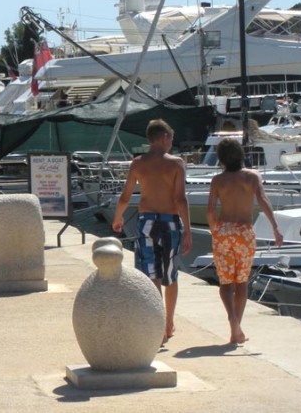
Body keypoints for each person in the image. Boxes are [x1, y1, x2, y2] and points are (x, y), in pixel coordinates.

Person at [112, 119, 192, 344]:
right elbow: (180, 199)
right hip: (170, 222)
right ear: (165, 137)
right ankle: (168, 323)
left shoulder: (138, 163)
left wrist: (118, 218)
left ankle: (157, 325)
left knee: (152, 273)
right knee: (171, 274)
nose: (171, 143)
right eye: (171, 139)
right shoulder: (176, 163)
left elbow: (126, 195)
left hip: (147, 221)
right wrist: (188, 230)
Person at [206, 137, 283, 344]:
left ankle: (231, 317)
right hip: (244, 232)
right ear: (241, 154)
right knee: (241, 281)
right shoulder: (252, 176)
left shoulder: (218, 180)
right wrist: (275, 226)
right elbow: (263, 200)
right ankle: (236, 328)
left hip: (223, 229)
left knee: (225, 281)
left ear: (221, 159)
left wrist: (216, 230)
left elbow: (211, 210)